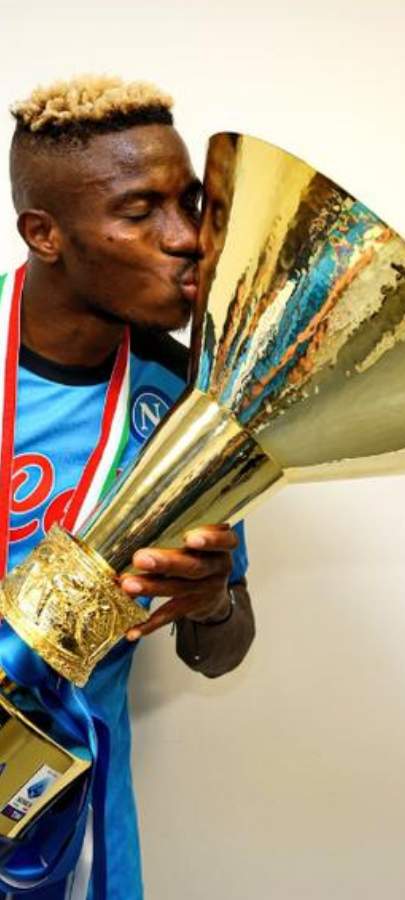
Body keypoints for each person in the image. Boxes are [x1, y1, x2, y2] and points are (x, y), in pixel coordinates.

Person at [6, 75, 255, 898]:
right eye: (140, 211)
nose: (187, 239)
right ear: (45, 234)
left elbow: (219, 650)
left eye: (189, 204)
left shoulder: (197, 407)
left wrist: (212, 600)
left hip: (76, 840)